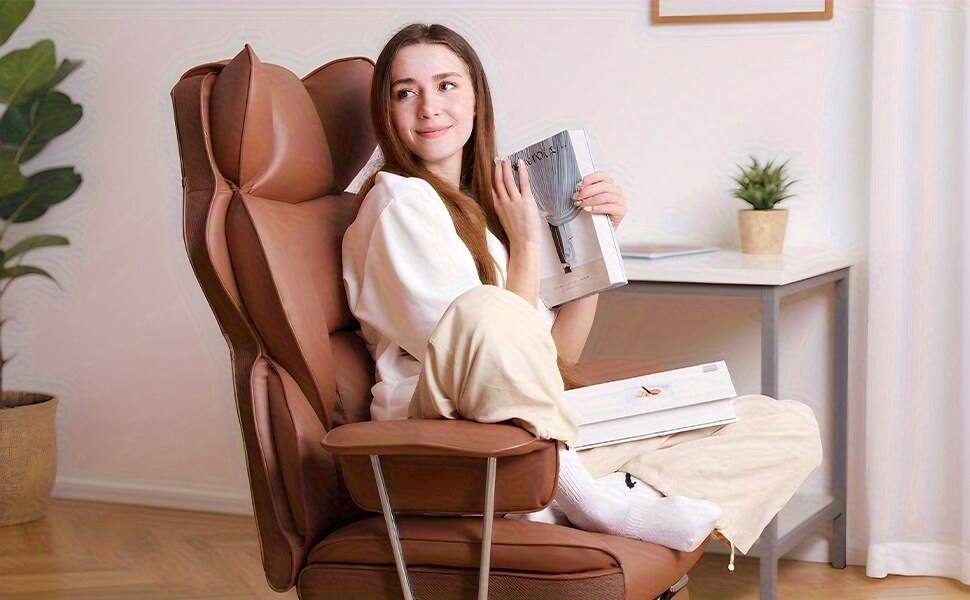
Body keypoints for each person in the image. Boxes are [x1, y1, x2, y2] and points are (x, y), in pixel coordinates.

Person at [342, 22, 823, 572]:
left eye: (447, 86)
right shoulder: (397, 205)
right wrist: (526, 242)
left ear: (477, 99)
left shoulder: (487, 206)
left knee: (782, 424)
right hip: (454, 439)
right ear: (387, 112)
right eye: (406, 92)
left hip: (541, 431)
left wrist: (596, 248)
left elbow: (555, 359)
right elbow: (489, 348)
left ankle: (575, 501)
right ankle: (592, 501)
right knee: (484, 309)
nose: (429, 107)